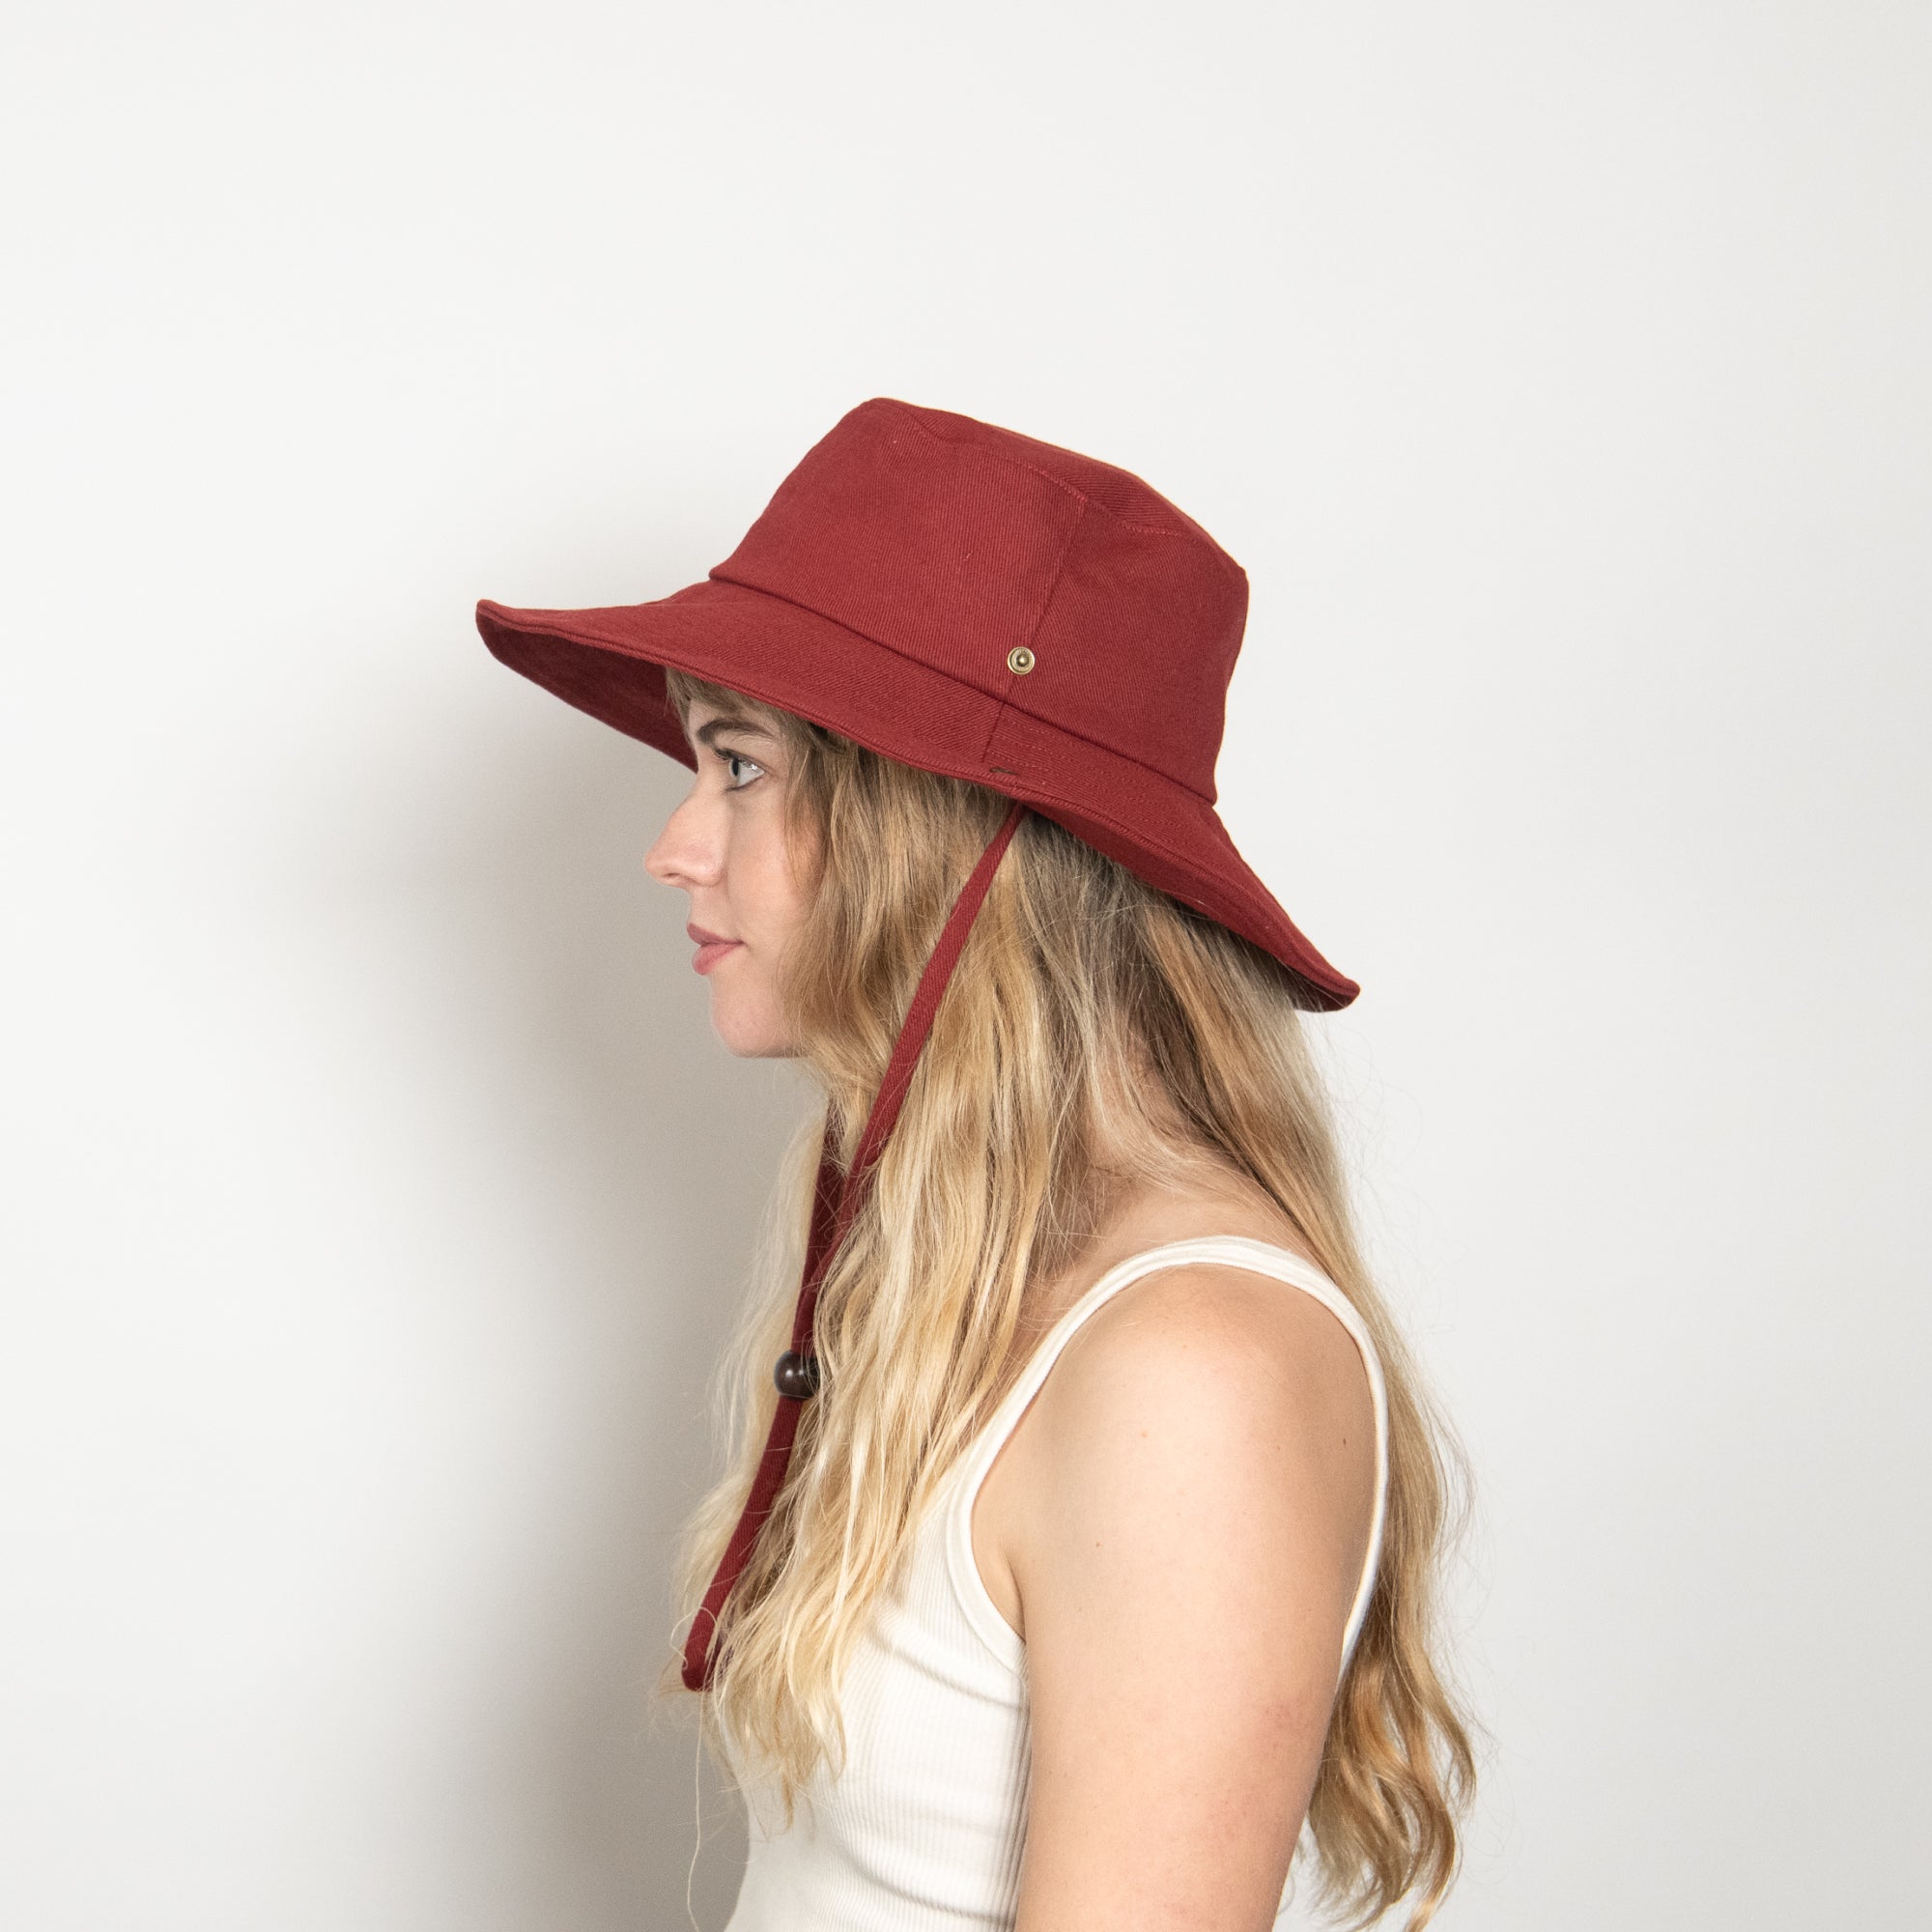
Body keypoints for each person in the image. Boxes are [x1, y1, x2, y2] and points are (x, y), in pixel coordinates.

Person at [475, 399, 1474, 1929]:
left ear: (937, 825)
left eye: (739, 767)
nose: (676, 845)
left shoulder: (1194, 1363)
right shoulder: (926, 1251)